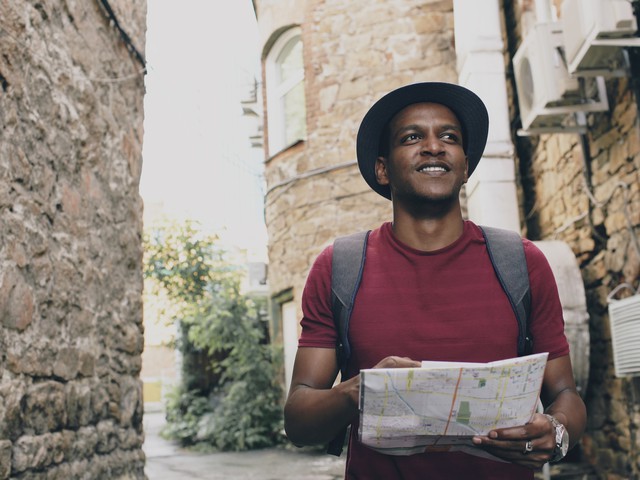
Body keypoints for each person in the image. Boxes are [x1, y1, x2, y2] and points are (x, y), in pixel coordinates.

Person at [283, 82, 587, 479]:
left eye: (449, 137)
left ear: (464, 167)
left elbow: (565, 394)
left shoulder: (522, 263)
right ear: (382, 168)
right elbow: (299, 421)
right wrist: (360, 391)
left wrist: (557, 432)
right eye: (412, 137)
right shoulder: (339, 267)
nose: (434, 146)